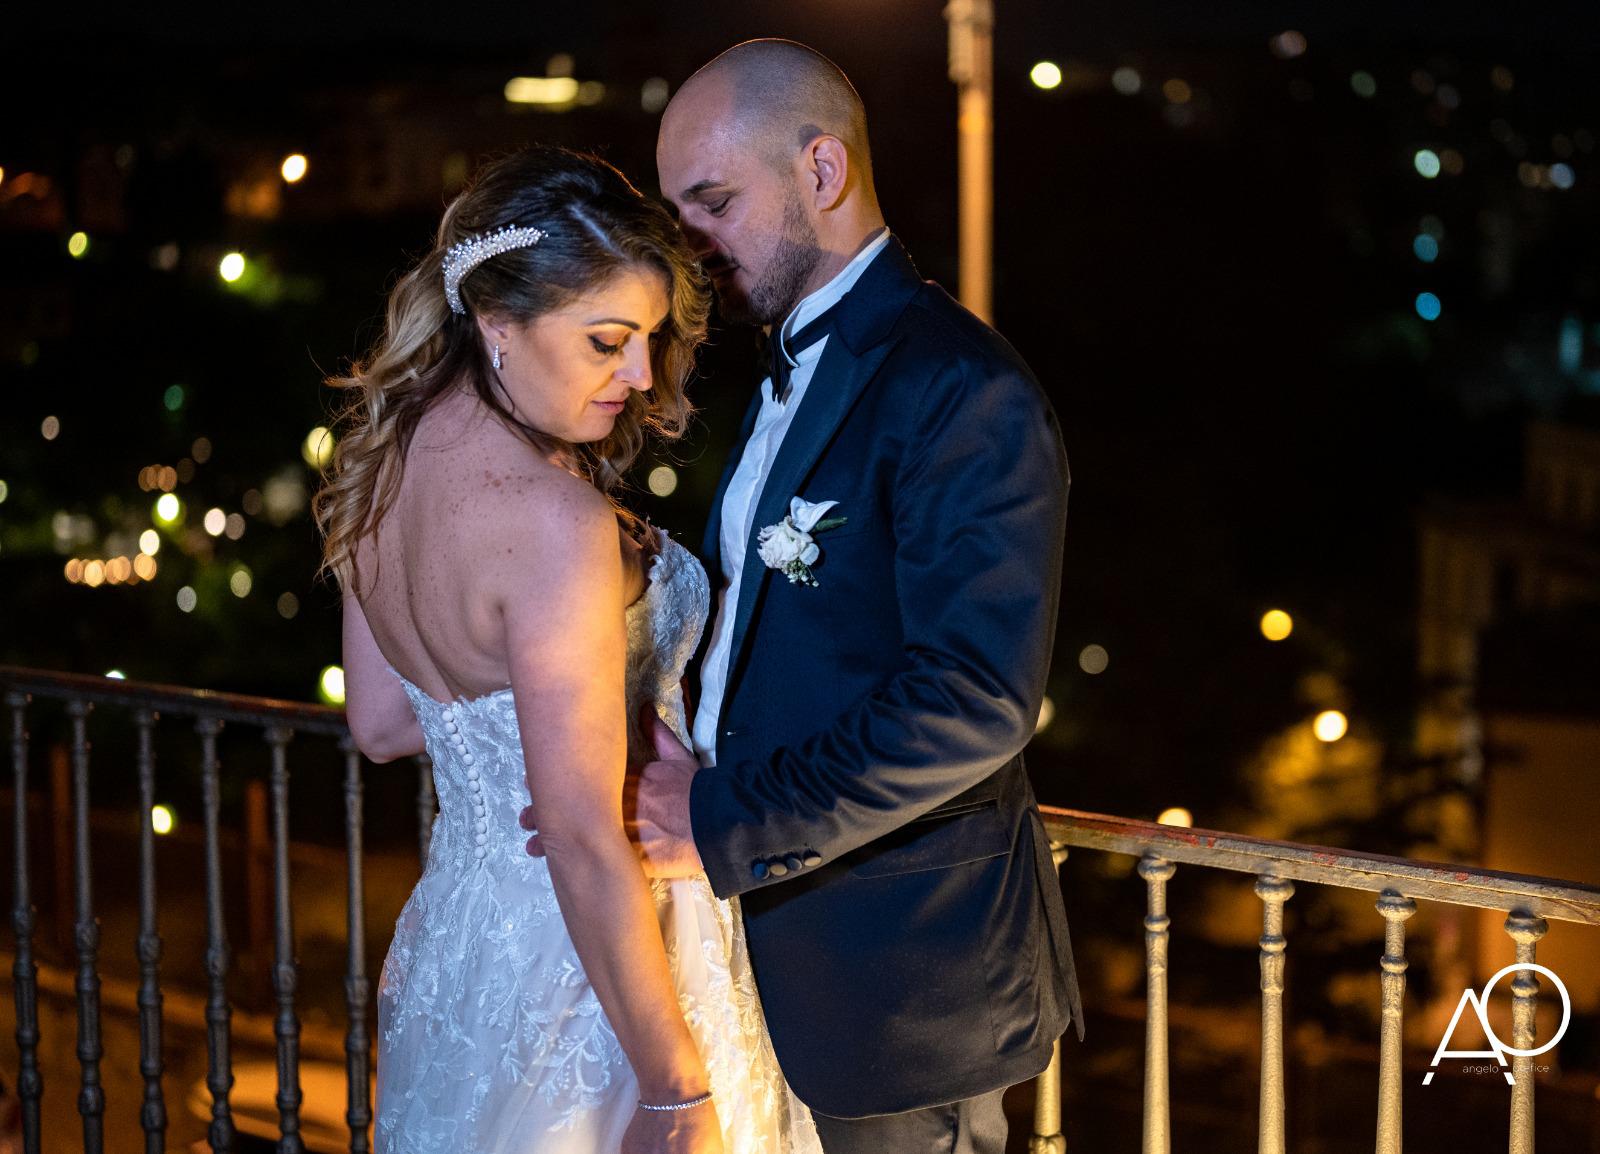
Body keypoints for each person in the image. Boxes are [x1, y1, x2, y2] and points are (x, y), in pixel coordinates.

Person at [579, 39, 1083, 1154]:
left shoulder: (960, 387)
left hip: (902, 980)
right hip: (765, 953)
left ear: (821, 170)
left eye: (712, 200)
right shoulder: (774, 368)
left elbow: (973, 701)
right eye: (677, 209)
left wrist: (718, 816)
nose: (689, 243)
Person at [318, 146, 819, 1154]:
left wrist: (555, 713)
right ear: (497, 325)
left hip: (462, 942)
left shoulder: (381, 457)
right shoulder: (555, 521)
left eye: (643, 340)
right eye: (606, 340)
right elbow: (584, 836)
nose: (638, 377)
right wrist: (676, 1086)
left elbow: (377, 723)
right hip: (591, 971)